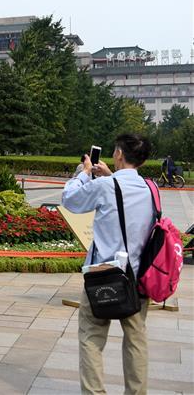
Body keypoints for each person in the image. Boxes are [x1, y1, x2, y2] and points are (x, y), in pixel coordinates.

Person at [62, 134, 154, 395]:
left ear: (119, 155)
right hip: (138, 277)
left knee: (91, 337)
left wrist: (84, 172)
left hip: (105, 276)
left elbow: (70, 199)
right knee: (136, 340)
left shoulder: (105, 186)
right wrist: (108, 176)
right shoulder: (151, 188)